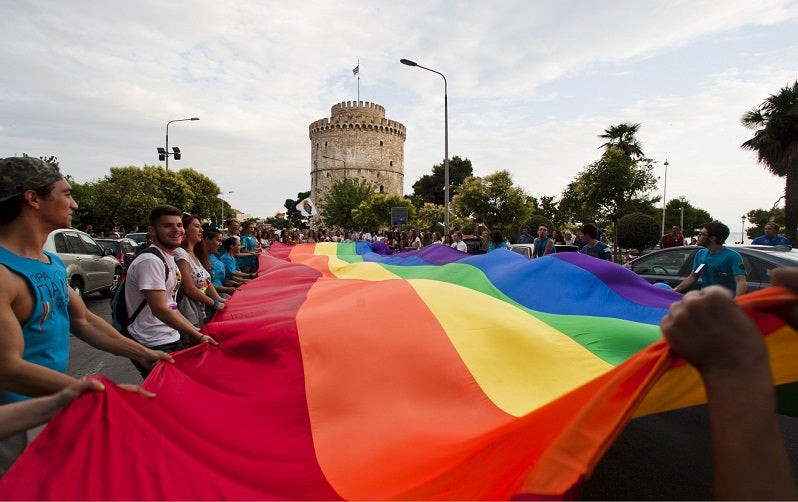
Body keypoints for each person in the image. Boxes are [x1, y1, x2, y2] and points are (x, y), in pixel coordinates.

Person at [0, 157, 174, 473]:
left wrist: (146, 353)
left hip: (53, 407)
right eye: (66, 194)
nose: (75, 204)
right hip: (16, 423)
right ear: (33, 199)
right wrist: (90, 391)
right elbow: (7, 368)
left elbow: (84, 320)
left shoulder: (49, 262)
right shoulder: (3, 273)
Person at [661, 282, 798, 500]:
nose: (698, 244)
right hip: (703, 312)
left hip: (715, 317)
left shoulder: (731, 257)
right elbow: (691, 277)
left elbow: (741, 281)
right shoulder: (702, 255)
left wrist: (732, 368)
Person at [124, 205, 218, 378]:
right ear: (152, 230)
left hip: (169, 336)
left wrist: (191, 329)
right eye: (167, 226)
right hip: (153, 342)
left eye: (179, 225)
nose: (176, 230)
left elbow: (171, 304)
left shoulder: (169, 257)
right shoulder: (150, 261)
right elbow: (160, 308)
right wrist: (195, 334)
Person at [174, 214, 226, 330]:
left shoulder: (195, 255)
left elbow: (206, 282)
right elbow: (189, 289)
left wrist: (219, 299)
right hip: (188, 313)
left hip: (199, 310)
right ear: (184, 229)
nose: (201, 230)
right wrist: (215, 304)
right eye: (197, 226)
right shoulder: (180, 254)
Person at [673, 221, 747, 297]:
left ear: (712, 238)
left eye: (702, 234)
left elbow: (741, 281)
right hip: (706, 300)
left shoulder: (733, 256)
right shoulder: (701, 255)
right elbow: (693, 277)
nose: (698, 236)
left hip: (725, 302)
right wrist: (674, 290)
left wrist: (737, 302)